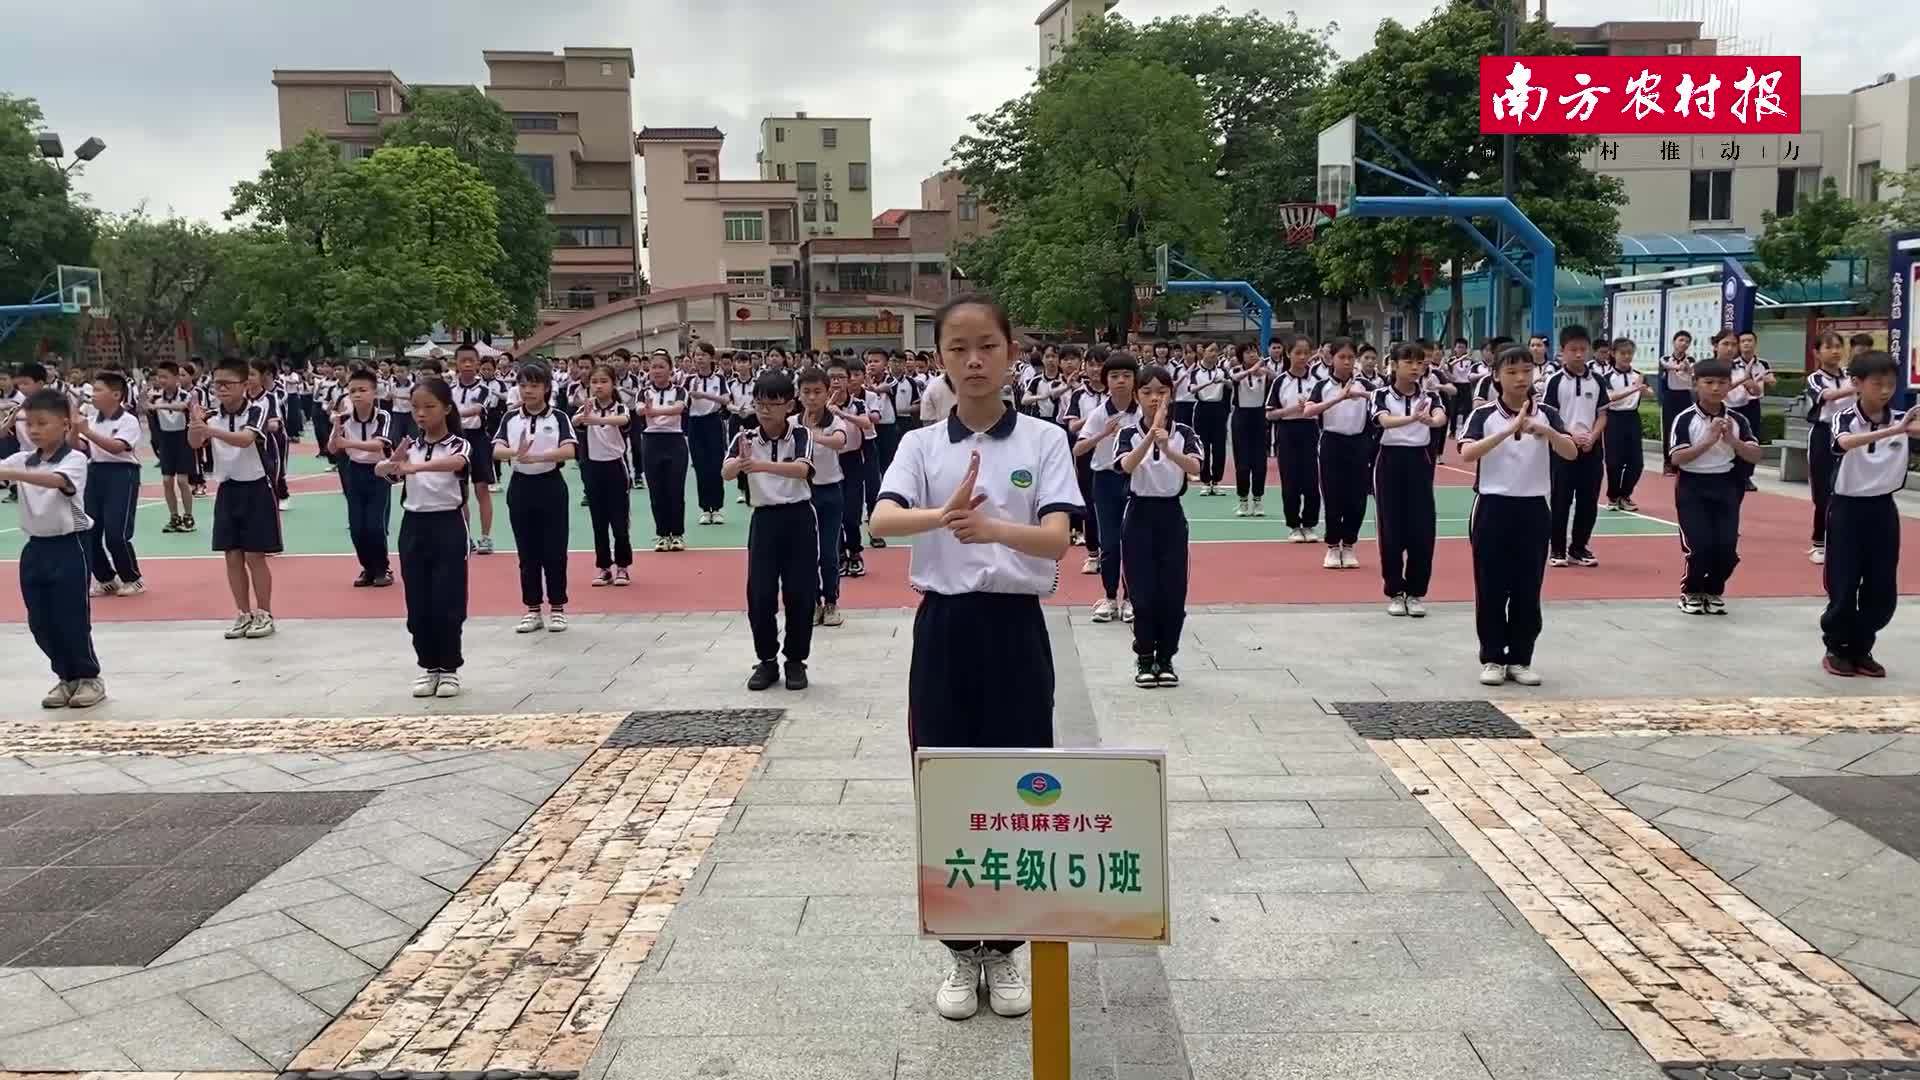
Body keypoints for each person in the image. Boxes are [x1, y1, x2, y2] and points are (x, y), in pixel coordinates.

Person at [870, 294, 1080, 1024]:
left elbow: (1056, 539)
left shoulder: (1045, 441)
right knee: (948, 782)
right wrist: (946, 518)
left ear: (1012, 350)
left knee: (1023, 784)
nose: (974, 360)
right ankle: (963, 953)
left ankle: (1009, 948)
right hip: (947, 628)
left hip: (1016, 630)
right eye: (958, 348)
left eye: (987, 344)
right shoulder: (921, 446)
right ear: (940, 360)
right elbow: (883, 520)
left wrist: (990, 526)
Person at [1459, 345, 1578, 687]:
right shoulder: (1483, 415)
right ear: (1496, 375)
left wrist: (1548, 432)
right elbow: (1467, 453)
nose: (1520, 378)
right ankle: (1494, 657)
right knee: (1492, 586)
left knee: (1528, 587)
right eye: (1511, 371)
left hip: (1534, 508)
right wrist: (1507, 430)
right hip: (1493, 506)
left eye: (1526, 370)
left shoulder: (1549, 414)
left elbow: (1571, 452)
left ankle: (1521, 658)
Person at [3, 388, 106, 708]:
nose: (33, 430)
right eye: (29, 424)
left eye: (42, 423)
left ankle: (89, 677)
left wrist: (11, 473)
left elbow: (57, 482)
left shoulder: (75, 459)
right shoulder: (22, 458)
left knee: (71, 616)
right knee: (40, 621)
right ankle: (66, 677)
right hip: (35, 549)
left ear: (64, 424)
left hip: (69, 545)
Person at [724, 371, 820, 691]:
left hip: (799, 518)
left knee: (800, 592)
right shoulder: (745, 438)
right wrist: (739, 463)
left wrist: (760, 466)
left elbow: (803, 470)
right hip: (764, 520)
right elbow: (725, 472)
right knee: (760, 594)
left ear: (789, 405)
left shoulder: (801, 434)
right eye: (759, 403)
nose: (765, 410)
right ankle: (766, 660)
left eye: (773, 403)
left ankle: (795, 660)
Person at [378, 377, 471, 698]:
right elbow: (383, 471)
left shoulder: (458, 444)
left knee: (448, 600)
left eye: (429, 407)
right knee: (418, 602)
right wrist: (393, 463)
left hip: (447, 525)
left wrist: (416, 469)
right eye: (416, 407)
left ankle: (449, 668)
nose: (421, 414)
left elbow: (457, 463)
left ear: (446, 408)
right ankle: (428, 666)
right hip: (413, 526)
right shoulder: (409, 446)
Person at [1821, 350, 1910, 678]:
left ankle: (1862, 647)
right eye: (1877, 384)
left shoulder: (1903, 419)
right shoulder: (1844, 417)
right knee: (1843, 583)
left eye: (1890, 384)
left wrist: (1905, 428)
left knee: (1881, 586)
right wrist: (1892, 431)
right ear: (1856, 384)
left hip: (1883, 509)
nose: (1885, 390)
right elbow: (1844, 443)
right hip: (1847, 509)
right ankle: (1837, 648)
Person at [1115, 366, 1201, 687]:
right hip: (1138, 515)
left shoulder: (1184, 433)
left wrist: (1167, 447)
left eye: (1161, 392)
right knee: (1143, 593)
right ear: (1137, 396)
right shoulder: (1127, 433)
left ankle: (1166, 658)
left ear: (1171, 394)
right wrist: (1150, 436)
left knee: (1173, 592)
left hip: (1170, 516)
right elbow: (1125, 465)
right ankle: (1145, 657)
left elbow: (1195, 467)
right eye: (1147, 392)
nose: (1155, 399)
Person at [190, 357, 280, 640]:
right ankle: (243, 612)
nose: (221, 389)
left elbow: (245, 439)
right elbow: (194, 443)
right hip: (228, 489)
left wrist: (209, 429)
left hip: (256, 487)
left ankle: (264, 613)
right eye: (217, 383)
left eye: (228, 383)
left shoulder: (257, 410)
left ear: (245, 385)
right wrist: (195, 424)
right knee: (232, 555)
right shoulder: (211, 416)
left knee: (255, 555)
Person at [1668, 357, 1763, 615]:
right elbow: (1676, 458)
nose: (1715, 388)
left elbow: (1755, 455)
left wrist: (1733, 441)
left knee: (1726, 547)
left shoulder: (1738, 420)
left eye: (1722, 383)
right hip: (1692, 486)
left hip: (1726, 485)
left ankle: (1712, 590)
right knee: (1699, 545)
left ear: (1730, 385)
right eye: (1708, 382)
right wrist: (1708, 441)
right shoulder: (1685, 419)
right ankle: (1691, 591)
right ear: (1696, 384)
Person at [494, 362, 578, 633]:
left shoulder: (559, 417)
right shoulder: (509, 418)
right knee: (527, 552)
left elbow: (569, 451)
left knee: (554, 550)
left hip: (551, 485)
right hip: (520, 487)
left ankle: (557, 607)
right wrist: (515, 454)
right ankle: (532, 609)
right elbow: (496, 450)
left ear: (546, 388)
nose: (527, 390)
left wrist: (537, 456)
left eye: (534, 385)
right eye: (523, 385)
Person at [1372, 344, 1446, 617]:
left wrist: (1431, 419)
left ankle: (1415, 592)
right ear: (1394, 365)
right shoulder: (1380, 394)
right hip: (1389, 462)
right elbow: (1383, 420)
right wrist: (1412, 418)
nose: (1415, 367)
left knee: (1422, 528)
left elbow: (1440, 417)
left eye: (1420, 363)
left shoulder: (1429, 396)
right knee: (1391, 528)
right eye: (1409, 362)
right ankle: (1395, 591)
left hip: (1419, 462)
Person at [1072, 351, 1140, 624]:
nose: (1120, 381)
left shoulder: (1143, 410)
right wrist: (1102, 434)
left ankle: (1131, 599)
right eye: (1114, 376)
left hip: (1136, 481)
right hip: (1105, 481)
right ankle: (1110, 597)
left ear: (1135, 380)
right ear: (1105, 380)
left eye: (1126, 375)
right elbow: (1078, 448)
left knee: (1133, 541)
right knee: (1109, 543)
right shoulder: (1100, 413)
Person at [71, 371, 146, 598]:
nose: (93, 395)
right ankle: (105, 578)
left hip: (122, 473)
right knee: (89, 529)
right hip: (94, 472)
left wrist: (87, 432)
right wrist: (76, 428)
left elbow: (116, 447)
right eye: (93, 390)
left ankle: (132, 578)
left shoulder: (128, 420)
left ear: (116, 394)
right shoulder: (92, 419)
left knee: (116, 532)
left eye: (98, 390)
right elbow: (77, 447)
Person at [1297, 339, 1370, 569]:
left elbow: (1382, 402)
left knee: (1357, 498)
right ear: (1332, 359)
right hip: (1332, 443)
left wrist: (1363, 395)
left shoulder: (1367, 384)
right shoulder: (1322, 386)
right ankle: (1332, 546)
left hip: (1359, 443)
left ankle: (1348, 545)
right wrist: (1340, 397)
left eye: (1350, 358)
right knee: (1333, 496)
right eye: (1342, 357)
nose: (1347, 362)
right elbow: (1308, 411)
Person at [1542, 325, 1608, 569]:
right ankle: (1557, 548)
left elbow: (1603, 414)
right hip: (1563, 448)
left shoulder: (1597, 380)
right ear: (1563, 351)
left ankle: (1579, 547)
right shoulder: (1555, 381)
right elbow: (1549, 414)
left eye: (1583, 349)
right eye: (1573, 350)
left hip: (1591, 449)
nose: (1579, 354)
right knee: (1561, 499)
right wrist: (1569, 435)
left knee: (1589, 501)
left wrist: (1592, 436)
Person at [328, 369, 395, 588]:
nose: (357, 395)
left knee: (375, 525)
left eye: (363, 390)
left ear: (374, 393)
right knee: (357, 526)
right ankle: (367, 568)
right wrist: (336, 431)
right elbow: (332, 447)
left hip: (378, 472)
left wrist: (347, 444)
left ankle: (382, 568)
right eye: (353, 391)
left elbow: (379, 444)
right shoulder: (344, 418)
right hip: (354, 471)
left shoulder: (383, 415)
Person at [797, 366, 852, 627]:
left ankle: (831, 602)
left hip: (830, 492)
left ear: (827, 393)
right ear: (798, 395)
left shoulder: (835, 422)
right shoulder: (792, 423)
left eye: (818, 392)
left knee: (828, 552)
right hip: (801, 494)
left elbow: (840, 441)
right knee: (805, 552)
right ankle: (813, 603)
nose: (811, 398)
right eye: (806, 392)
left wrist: (815, 435)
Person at [575, 364, 635, 587]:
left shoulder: (619, 408)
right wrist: (585, 417)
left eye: (603, 381)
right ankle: (603, 567)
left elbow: (624, 421)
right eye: (594, 382)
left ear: (613, 384)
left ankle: (622, 566)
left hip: (616, 469)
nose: (598, 386)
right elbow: (576, 422)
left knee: (619, 522)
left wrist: (597, 420)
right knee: (598, 521)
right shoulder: (585, 409)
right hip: (593, 469)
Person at [1804, 330, 1855, 567]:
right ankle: (1819, 542)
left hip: (1850, 433)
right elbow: (1827, 397)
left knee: (1848, 488)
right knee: (1823, 491)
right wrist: (1858, 386)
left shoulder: (1851, 375)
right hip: (1824, 435)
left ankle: (1843, 540)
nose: (1835, 351)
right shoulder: (1815, 378)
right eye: (1829, 347)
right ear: (1817, 352)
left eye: (1838, 346)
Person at [1265, 336, 1321, 540]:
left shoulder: (1318, 381)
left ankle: (1309, 524)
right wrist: (1291, 409)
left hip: (1311, 431)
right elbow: (1269, 414)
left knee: (1312, 481)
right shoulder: (1280, 381)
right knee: (1290, 481)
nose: (1302, 357)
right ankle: (1294, 525)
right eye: (1297, 352)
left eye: (1306, 352)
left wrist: (1310, 409)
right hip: (1287, 432)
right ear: (1288, 354)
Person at [635, 349, 691, 552]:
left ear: (670, 370)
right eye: (653, 367)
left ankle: (677, 534)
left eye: (661, 367)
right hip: (651, 441)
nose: (656, 371)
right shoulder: (643, 391)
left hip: (675, 441)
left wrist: (653, 411)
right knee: (656, 491)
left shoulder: (680, 390)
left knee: (675, 490)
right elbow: (640, 410)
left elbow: (678, 408)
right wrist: (650, 411)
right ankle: (661, 534)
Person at [828, 359, 877, 576]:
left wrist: (840, 413)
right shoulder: (819, 407)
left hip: (853, 461)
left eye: (840, 377)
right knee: (833, 512)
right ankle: (838, 555)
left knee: (851, 513)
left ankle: (855, 553)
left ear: (849, 381)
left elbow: (867, 424)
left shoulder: (857, 404)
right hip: (829, 462)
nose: (836, 382)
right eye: (831, 378)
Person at [450, 347, 498, 554]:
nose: (467, 364)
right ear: (456, 364)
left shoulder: (486, 390)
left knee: (481, 489)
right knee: (461, 491)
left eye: (471, 361)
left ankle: (486, 537)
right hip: (457, 440)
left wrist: (452, 413)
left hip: (478, 441)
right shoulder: (449, 391)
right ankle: (465, 536)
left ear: (478, 364)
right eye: (463, 361)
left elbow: (477, 409)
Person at [1600, 338, 1649, 512]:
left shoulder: (1638, 375)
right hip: (1614, 419)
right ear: (1613, 354)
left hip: (1632, 418)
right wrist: (1633, 389)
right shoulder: (1605, 377)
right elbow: (1609, 397)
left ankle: (1625, 495)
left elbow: (1649, 392)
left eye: (1630, 353)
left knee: (1637, 462)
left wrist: (1644, 390)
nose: (1627, 356)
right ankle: (1613, 496)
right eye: (1623, 353)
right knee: (1614, 462)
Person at [148, 361, 197, 533]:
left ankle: (188, 516)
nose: (161, 380)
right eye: (159, 376)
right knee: (167, 481)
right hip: (166, 440)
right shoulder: (154, 396)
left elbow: (183, 407)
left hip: (183, 440)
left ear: (176, 378)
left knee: (183, 481)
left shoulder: (186, 395)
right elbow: (149, 412)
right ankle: (174, 516)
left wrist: (159, 406)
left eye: (165, 377)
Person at [685, 342, 729, 526]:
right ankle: (705, 508)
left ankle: (717, 508)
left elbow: (726, 400)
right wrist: (690, 396)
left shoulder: (719, 379)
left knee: (715, 466)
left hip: (713, 422)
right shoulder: (688, 380)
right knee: (701, 467)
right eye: (696, 355)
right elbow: (682, 402)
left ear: (712, 358)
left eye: (703, 355)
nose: (699, 358)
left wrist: (704, 396)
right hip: (695, 424)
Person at [1227, 341, 1272, 516]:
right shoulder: (1236, 371)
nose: (1251, 355)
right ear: (1241, 356)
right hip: (1241, 418)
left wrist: (1264, 370)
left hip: (1259, 417)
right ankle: (1243, 500)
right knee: (1243, 463)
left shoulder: (1264, 372)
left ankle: (1258, 500)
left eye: (1254, 352)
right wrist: (1252, 371)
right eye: (1247, 353)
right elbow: (1235, 379)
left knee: (1260, 462)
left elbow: (1276, 377)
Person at [1729, 330, 1775, 493]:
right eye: (1743, 341)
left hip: (1753, 404)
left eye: (1749, 340)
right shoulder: (1732, 363)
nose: (1746, 344)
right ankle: (1733, 473)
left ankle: (1747, 476)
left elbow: (1772, 381)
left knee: (1752, 439)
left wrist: (1769, 381)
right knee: (1734, 439)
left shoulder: (1763, 363)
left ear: (1755, 343)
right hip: (1734, 405)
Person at [1189, 346, 1230, 496]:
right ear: (1203, 352)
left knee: (1219, 447)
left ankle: (1217, 481)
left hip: (1218, 409)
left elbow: (1232, 385)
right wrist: (1208, 383)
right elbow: (1192, 389)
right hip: (1202, 409)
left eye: (1216, 351)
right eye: (1210, 350)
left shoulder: (1222, 370)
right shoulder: (1195, 372)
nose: (1214, 354)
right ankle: (1205, 481)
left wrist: (1224, 381)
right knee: (1203, 446)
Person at [1658, 330, 1695, 476]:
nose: (1684, 343)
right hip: (1670, 396)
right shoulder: (1665, 358)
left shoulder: (1691, 359)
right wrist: (1679, 367)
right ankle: (1668, 462)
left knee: (1685, 428)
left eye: (1687, 341)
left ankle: (1683, 461)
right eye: (1681, 340)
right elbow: (1666, 366)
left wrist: (1687, 368)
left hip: (1685, 396)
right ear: (1674, 342)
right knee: (1669, 429)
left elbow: (1692, 371)